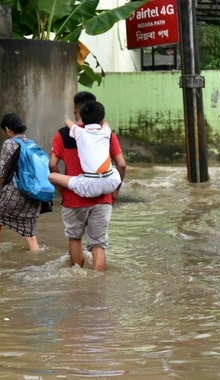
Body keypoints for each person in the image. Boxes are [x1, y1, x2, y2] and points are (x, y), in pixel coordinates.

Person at [49, 91, 126, 271]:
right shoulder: (107, 134)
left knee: (75, 238)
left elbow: (52, 164)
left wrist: (63, 189)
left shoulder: (62, 134)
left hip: (74, 197)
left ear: (76, 109)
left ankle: (78, 280)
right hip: (103, 197)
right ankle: (98, 284)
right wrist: (116, 190)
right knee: (99, 244)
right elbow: (121, 164)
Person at [0, 113, 41, 252]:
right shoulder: (31, 144)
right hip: (33, 196)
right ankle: (36, 260)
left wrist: (1, 191)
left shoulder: (9, 143)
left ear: (7, 129)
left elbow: (1, 173)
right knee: (31, 236)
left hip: (14, 193)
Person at [48, 100, 121, 198]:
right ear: (102, 119)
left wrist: (69, 122)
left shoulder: (79, 133)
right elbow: (122, 165)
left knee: (52, 177)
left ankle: (66, 192)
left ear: (81, 117)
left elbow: (68, 122)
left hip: (88, 187)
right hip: (111, 182)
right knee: (113, 168)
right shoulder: (106, 131)